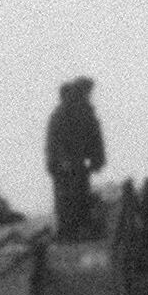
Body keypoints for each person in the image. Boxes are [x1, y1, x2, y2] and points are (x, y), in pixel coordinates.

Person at [44, 77, 105, 239]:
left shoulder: (84, 111)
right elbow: (56, 140)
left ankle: (79, 228)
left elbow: (94, 137)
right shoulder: (64, 113)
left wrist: (97, 159)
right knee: (68, 199)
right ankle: (69, 231)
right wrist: (63, 161)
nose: (90, 95)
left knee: (80, 197)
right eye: (87, 92)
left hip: (76, 163)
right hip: (65, 165)